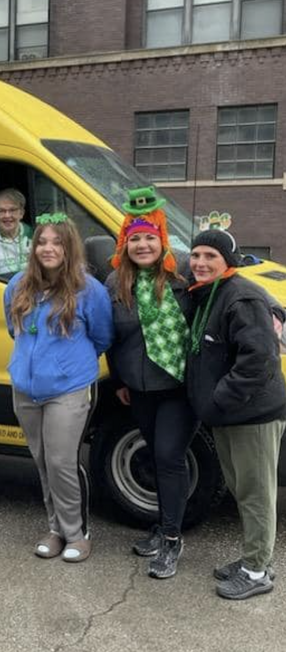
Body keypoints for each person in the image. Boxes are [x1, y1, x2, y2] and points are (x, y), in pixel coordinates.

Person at [4, 213, 113, 562]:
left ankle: (77, 534)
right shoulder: (17, 285)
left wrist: (65, 363)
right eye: (41, 241)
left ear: (69, 248)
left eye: (57, 242)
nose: (47, 248)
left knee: (62, 461)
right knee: (41, 461)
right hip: (25, 389)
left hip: (68, 388)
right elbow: (14, 329)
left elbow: (102, 336)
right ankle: (56, 529)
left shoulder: (89, 290)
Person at [186, 228, 286, 600]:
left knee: (256, 493)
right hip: (228, 415)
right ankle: (254, 559)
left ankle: (257, 571)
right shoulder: (212, 294)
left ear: (228, 260)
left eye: (210, 256)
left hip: (252, 416)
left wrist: (219, 397)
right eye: (196, 255)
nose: (200, 263)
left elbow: (258, 361)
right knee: (243, 491)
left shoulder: (240, 297)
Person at [106, 186, 196, 579]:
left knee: (168, 458)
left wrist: (274, 311)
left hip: (179, 387)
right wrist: (118, 380)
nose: (143, 245)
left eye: (149, 237)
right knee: (156, 460)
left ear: (163, 240)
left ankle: (172, 539)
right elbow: (110, 335)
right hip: (139, 388)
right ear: (125, 244)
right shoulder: (115, 283)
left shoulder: (186, 276)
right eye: (135, 238)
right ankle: (163, 527)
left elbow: (229, 294)